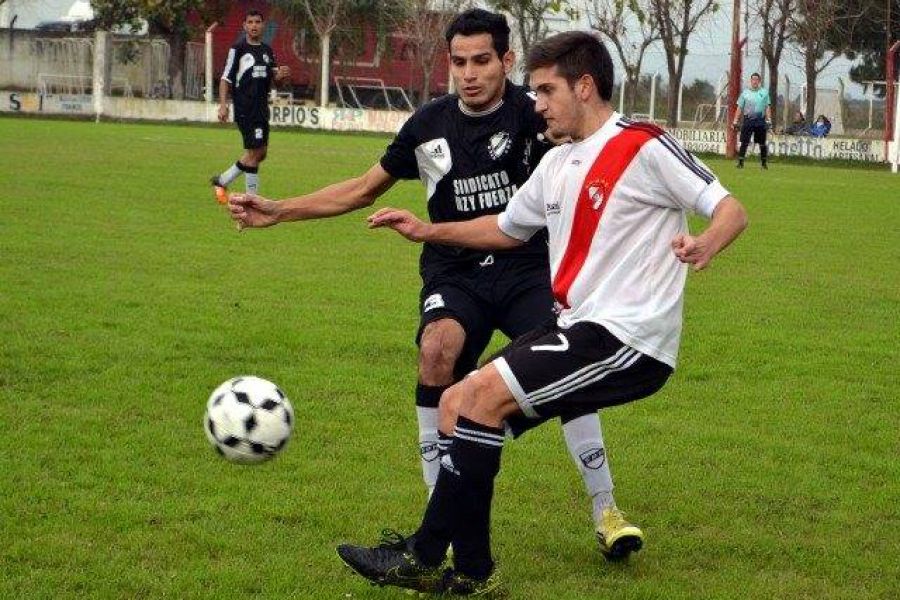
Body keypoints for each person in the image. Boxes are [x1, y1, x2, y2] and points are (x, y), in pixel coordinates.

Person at [336, 30, 748, 595]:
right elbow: (505, 228)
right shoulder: (556, 164)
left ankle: (423, 555)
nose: (537, 105)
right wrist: (426, 229)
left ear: (584, 87)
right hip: (580, 328)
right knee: (459, 403)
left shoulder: (641, 144)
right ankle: (474, 573)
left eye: (546, 91)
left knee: (478, 397)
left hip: (627, 337)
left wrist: (706, 243)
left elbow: (728, 207)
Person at [228, 9, 635, 559]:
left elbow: (597, 163)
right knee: (436, 349)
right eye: (459, 62)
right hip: (454, 271)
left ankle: (605, 509)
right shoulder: (428, 124)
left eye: (482, 61)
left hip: (527, 268)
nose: (469, 73)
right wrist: (279, 210)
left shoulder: (537, 114)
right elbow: (363, 188)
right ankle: (435, 520)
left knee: (561, 364)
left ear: (506, 61)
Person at [210, 9, 290, 203]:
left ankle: (222, 180)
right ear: (244, 26)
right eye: (250, 22)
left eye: (257, 22)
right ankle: (251, 201)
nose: (254, 25)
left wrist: (280, 76)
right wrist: (223, 105)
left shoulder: (267, 50)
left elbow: (274, 80)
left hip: (262, 108)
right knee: (255, 154)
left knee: (260, 153)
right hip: (245, 108)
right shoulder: (238, 49)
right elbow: (225, 78)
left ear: (263, 26)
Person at [732, 72, 771, 169]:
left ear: (759, 81)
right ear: (751, 81)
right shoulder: (745, 93)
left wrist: (769, 120)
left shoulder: (764, 93)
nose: (755, 81)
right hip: (748, 120)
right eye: (753, 79)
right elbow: (740, 107)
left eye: (757, 79)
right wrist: (735, 120)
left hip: (760, 120)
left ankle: (764, 163)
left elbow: (767, 107)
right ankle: (740, 162)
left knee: (762, 142)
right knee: (744, 142)